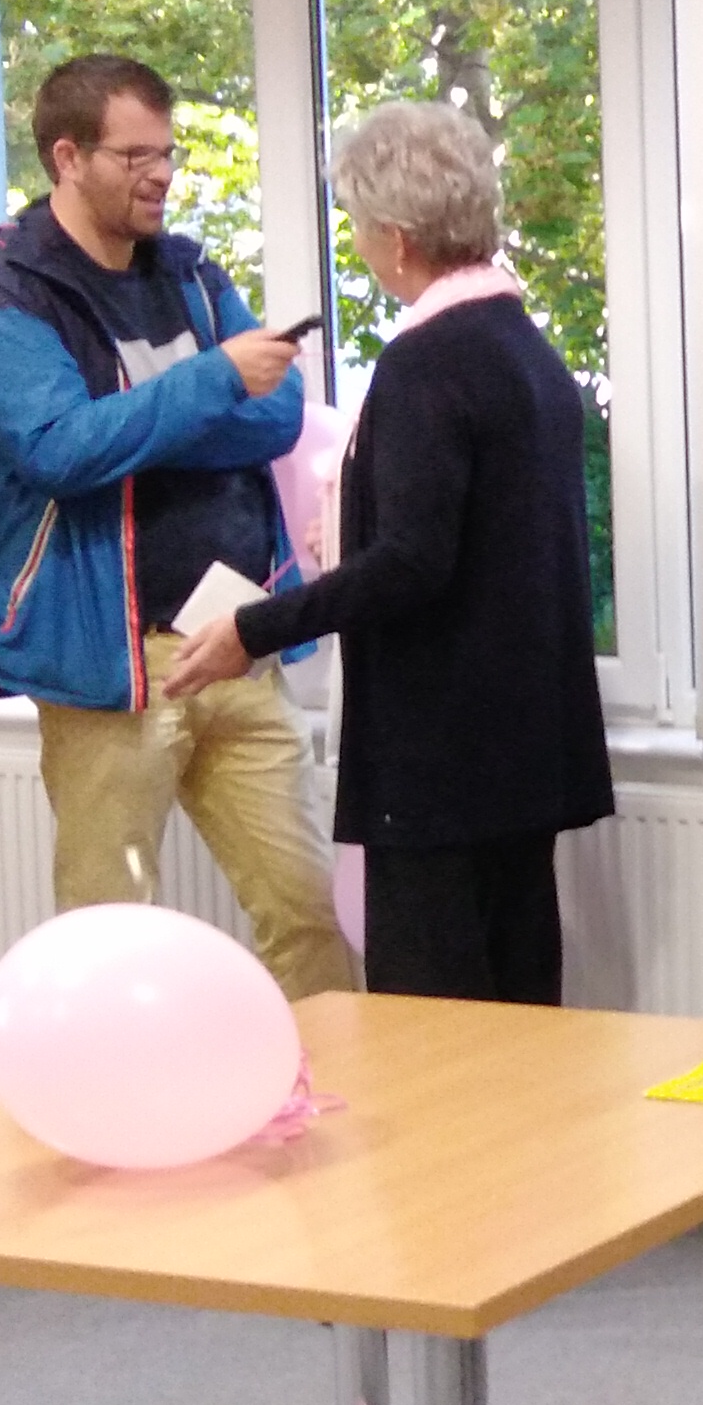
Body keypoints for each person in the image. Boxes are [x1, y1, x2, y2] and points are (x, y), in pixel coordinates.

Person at [167, 102, 611, 1003]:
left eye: (360, 226)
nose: (362, 245)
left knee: (430, 1029)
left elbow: (413, 562)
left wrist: (253, 629)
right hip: (524, 747)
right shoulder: (528, 351)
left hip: (442, 755)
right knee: (521, 1011)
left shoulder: (427, 362)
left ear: (397, 239)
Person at [0, 54, 356, 1002]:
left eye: (167, 154)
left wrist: (140, 425)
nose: (162, 175)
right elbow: (59, 450)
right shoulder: (10, 298)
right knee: (111, 930)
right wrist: (209, 383)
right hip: (112, 663)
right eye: (135, 156)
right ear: (67, 157)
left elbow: (278, 415)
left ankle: (332, 1084)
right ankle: (108, 1096)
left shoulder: (190, 273)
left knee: (311, 911)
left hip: (238, 643)